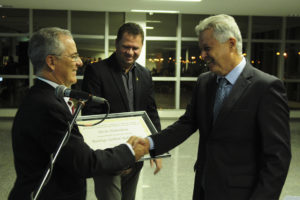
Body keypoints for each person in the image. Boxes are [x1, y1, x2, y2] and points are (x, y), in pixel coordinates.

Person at [133, 14, 291, 200]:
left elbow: (277, 158)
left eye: (207, 48)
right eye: (201, 49)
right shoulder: (204, 82)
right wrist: (151, 143)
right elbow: (187, 124)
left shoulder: (266, 87)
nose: (202, 56)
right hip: (204, 187)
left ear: (231, 44)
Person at [8, 27, 147, 200]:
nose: (80, 62)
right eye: (73, 56)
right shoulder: (47, 106)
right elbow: (84, 162)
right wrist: (129, 152)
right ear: (51, 61)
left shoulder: (44, 96)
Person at [81, 22, 162, 200]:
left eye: (135, 48)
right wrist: (118, 156)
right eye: (126, 46)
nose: (130, 52)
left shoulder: (145, 74)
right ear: (116, 44)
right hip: (108, 154)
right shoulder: (96, 71)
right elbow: (92, 115)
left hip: (136, 152)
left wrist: (157, 148)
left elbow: (151, 113)